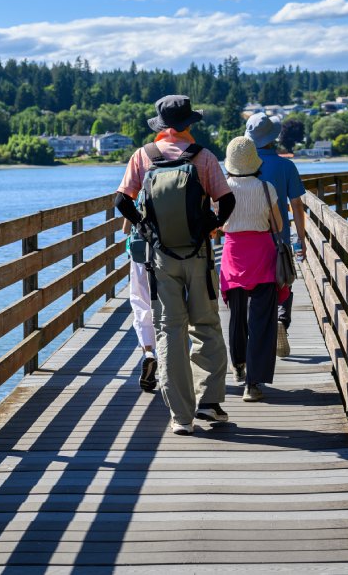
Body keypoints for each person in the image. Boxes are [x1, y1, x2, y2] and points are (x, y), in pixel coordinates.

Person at [116, 95, 236, 436]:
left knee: (170, 330)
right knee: (206, 325)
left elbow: (120, 200)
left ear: (161, 125)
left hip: (160, 258)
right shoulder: (204, 158)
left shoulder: (144, 156)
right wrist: (211, 226)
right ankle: (210, 400)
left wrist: (143, 225)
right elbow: (228, 200)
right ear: (189, 124)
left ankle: (181, 416)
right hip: (197, 255)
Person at [219, 137, 286, 402]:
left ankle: (238, 365)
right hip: (262, 255)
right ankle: (253, 384)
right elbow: (278, 225)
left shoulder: (222, 188)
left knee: (236, 315)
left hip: (234, 254)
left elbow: (218, 224)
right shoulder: (266, 187)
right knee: (261, 320)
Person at [245, 113, 306, 356]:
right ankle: (282, 320)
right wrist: (300, 238)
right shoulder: (286, 165)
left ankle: (260, 332)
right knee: (283, 280)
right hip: (279, 237)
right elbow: (297, 204)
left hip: (250, 238)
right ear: (273, 138)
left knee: (255, 286)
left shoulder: (243, 166)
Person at [122, 216, 159, 392]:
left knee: (140, 301)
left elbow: (124, 228)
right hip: (168, 246)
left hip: (140, 248)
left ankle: (149, 351)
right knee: (168, 301)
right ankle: (171, 361)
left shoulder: (136, 187)